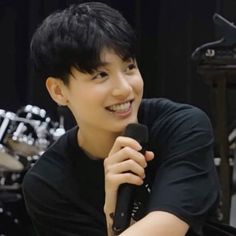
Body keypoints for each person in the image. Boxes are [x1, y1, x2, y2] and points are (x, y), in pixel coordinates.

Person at [22, 1, 220, 236]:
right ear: (58, 90)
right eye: (101, 75)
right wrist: (112, 217)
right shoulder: (48, 185)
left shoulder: (182, 126)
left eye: (129, 67)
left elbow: (169, 225)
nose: (125, 89)